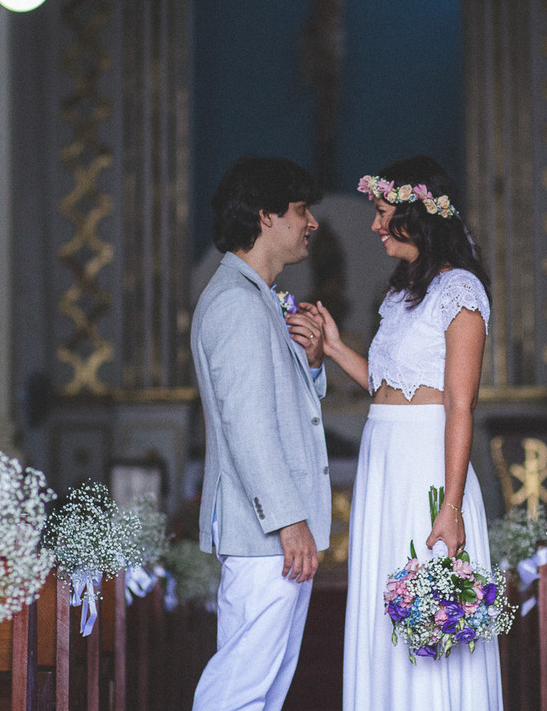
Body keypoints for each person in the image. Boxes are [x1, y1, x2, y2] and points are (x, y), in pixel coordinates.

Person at [310, 155, 504, 709]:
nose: (373, 225)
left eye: (382, 212)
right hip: (383, 456)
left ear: (417, 217)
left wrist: (451, 508)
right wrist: (334, 345)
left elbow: (459, 405)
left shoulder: (460, 291)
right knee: (383, 593)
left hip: (428, 460)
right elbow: (387, 383)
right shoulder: (400, 294)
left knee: (430, 601)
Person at [190, 155, 331, 711]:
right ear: (267, 215)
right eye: (302, 211)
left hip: (268, 529)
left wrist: (313, 361)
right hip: (263, 531)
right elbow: (247, 427)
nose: (312, 223)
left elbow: (286, 410)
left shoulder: (256, 298)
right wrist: (289, 520)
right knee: (241, 686)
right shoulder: (237, 304)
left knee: (264, 688)